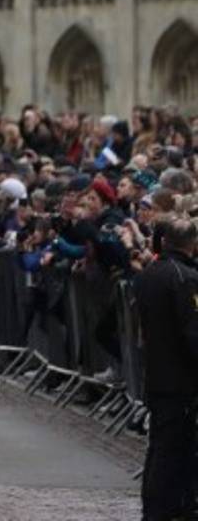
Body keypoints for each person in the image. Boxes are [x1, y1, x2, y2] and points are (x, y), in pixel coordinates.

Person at [134, 216, 198, 521]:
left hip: (158, 373)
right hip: (179, 377)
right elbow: (192, 332)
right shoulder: (183, 278)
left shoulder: (149, 274)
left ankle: (159, 506)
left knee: (160, 446)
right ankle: (163, 509)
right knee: (171, 448)